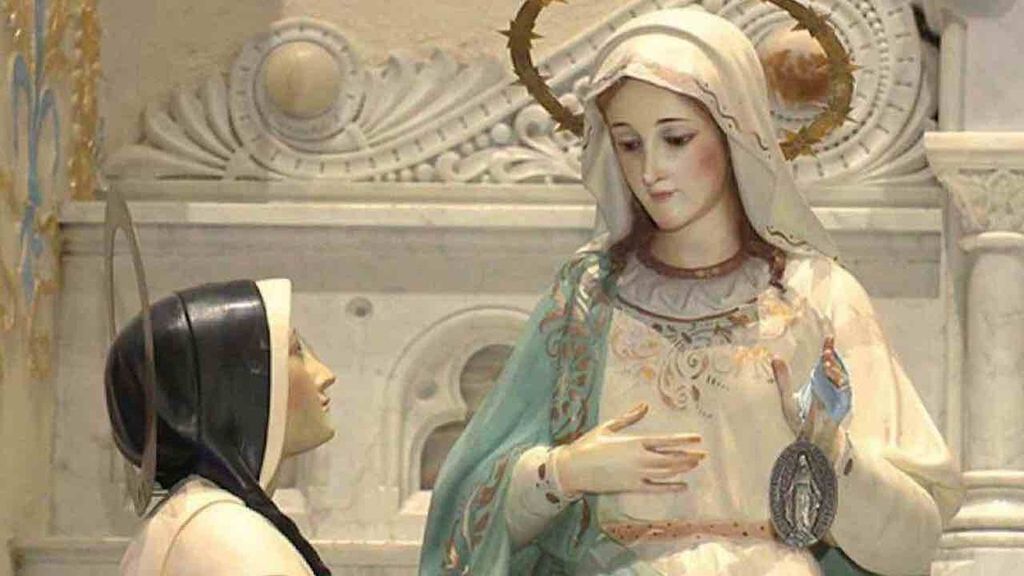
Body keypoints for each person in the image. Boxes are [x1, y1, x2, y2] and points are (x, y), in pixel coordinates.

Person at [419, 8, 962, 576]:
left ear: (734, 132)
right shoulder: (588, 299)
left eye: (676, 139)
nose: (651, 170)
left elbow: (914, 542)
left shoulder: (815, 295)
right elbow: (465, 518)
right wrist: (565, 473)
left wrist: (831, 452)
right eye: (629, 144)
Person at [106, 279, 336, 576]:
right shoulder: (229, 537)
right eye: (295, 351)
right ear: (232, 386)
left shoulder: (197, 520)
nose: (325, 375)